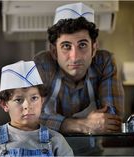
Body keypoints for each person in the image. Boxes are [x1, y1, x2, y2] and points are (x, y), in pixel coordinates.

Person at [33, 2, 124, 155]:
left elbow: (112, 120)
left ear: (94, 49)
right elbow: (29, 119)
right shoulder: (43, 64)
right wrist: (83, 125)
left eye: (82, 45)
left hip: (91, 153)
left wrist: (55, 122)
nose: (74, 57)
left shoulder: (104, 62)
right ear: (54, 52)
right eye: (66, 46)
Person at [0, 60, 74, 156]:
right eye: (18, 100)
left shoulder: (56, 141)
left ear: (42, 101)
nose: (27, 106)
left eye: (34, 98)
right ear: (5, 104)